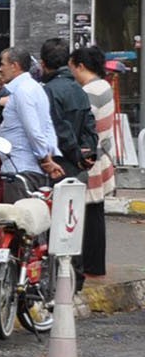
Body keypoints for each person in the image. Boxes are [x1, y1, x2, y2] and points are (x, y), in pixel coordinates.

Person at [70, 45, 115, 281]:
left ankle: (91, 265)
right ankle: (95, 265)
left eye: (72, 67)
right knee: (95, 211)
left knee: (89, 213)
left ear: (81, 66)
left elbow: (85, 126)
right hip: (102, 155)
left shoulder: (89, 92)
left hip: (91, 158)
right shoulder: (103, 86)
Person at [0, 47, 62, 179]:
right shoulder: (35, 87)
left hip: (20, 167)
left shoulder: (23, 91)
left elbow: (33, 130)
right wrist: (48, 154)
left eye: (3, 64)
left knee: (18, 200)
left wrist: (45, 158)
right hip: (28, 166)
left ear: (14, 66)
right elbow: (47, 126)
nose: (0, 69)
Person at [39, 38, 97, 183]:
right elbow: (89, 126)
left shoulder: (48, 90)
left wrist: (76, 154)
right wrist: (86, 153)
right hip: (77, 166)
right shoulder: (79, 89)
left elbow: (59, 128)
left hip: (57, 165)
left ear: (43, 63)